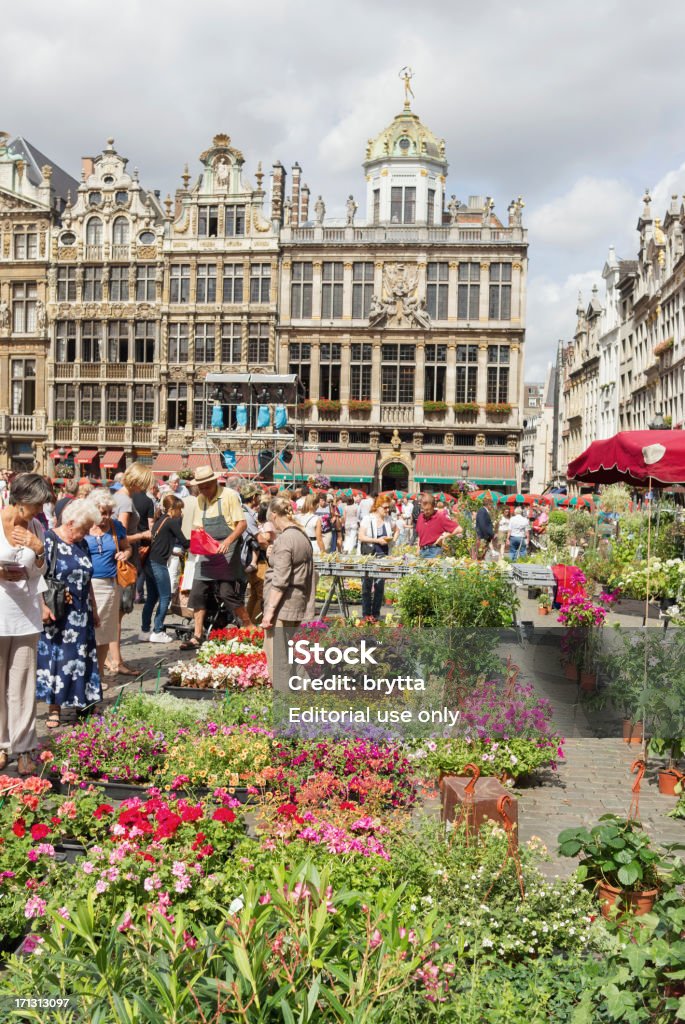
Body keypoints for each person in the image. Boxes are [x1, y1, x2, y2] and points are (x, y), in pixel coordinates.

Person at [0, 473, 51, 775]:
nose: (40, 510)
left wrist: (39, 548)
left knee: (23, 684)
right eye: (36, 504)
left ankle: (23, 748)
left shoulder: (37, 527)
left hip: (25, 614)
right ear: (20, 502)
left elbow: (40, 571)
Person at [36, 498, 102, 730]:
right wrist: (44, 601)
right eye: (83, 529)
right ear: (71, 522)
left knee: (81, 657)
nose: (85, 534)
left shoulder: (82, 543)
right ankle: (54, 708)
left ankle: (81, 703)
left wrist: (93, 606)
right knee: (58, 658)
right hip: (58, 611)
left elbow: (88, 576)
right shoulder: (49, 540)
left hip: (82, 611)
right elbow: (37, 575)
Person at [182, 464, 249, 650]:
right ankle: (197, 635)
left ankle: (248, 626)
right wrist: (198, 540)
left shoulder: (228, 496)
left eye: (206, 486)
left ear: (213, 481)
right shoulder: (200, 500)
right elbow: (199, 527)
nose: (203, 490)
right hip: (208, 548)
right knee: (197, 592)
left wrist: (227, 541)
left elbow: (241, 524)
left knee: (227, 592)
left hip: (228, 547)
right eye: (200, 487)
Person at [261, 496, 316, 692]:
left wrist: (268, 613)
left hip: (282, 607)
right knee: (294, 658)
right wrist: (272, 556)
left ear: (274, 515)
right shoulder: (302, 536)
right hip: (297, 603)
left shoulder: (285, 539)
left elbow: (280, 580)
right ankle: (305, 697)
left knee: (279, 660)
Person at [108, 463, 153, 674]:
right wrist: (143, 535)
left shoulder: (117, 496)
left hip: (118, 560)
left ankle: (113, 658)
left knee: (115, 612)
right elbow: (122, 535)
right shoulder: (125, 501)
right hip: (124, 561)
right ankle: (116, 660)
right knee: (119, 612)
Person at [85, 488, 132, 681]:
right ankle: (88, 674)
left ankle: (99, 674)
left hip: (110, 584)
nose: (105, 517)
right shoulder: (83, 526)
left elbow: (127, 546)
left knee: (105, 632)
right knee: (89, 631)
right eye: (102, 512)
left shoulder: (115, 526)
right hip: (88, 585)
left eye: (108, 513)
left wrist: (125, 554)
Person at [142, 494, 189, 642]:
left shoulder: (160, 520)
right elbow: (185, 542)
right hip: (158, 564)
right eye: (180, 509)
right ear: (173, 509)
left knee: (151, 597)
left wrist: (173, 551)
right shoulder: (171, 522)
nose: (181, 513)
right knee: (165, 596)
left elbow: (160, 542)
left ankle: (144, 631)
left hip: (150, 563)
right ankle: (157, 630)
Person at [358, 497, 400, 620]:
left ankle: (375, 614)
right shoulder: (368, 519)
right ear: (377, 507)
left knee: (379, 586)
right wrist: (377, 540)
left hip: (384, 556)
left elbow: (397, 530)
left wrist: (392, 541)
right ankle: (366, 614)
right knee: (366, 585)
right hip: (369, 556)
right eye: (385, 507)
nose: (388, 510)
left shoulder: (388, 519)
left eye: (389, 507)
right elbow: (361, 536)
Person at [415, 492, 459, 558]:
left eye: (428, 510)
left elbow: (458, 529)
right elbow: (420, 535)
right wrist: (418, 549)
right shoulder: (421, 517)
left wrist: (443, 536)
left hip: (434, 551)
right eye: (423, 509)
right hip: (422, 551)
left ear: (433, 507)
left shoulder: (440, 517)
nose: (425, 512)